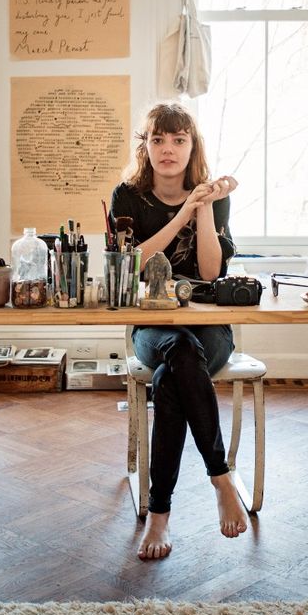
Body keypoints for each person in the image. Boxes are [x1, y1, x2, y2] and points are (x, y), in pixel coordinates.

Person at [110, 101, 247, 560]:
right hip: (152, 326)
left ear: (193, 146)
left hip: (209, 327)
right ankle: (221, 477)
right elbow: (131, 267)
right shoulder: (126, 197)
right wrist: (185, 211)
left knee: (173, 378)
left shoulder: (214, 196)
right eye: (158, 139)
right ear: (145, 147)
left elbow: (211, 272)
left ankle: (159, 517)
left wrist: (205, 206)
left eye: (179, 139)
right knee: (178, 356)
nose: (168, 148)